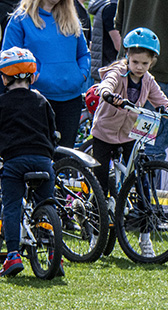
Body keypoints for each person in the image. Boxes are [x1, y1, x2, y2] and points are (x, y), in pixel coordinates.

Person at [90, 28, 168, 256]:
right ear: (127, 56)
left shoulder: (148, 80)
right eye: (135, 61)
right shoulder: (117, 72)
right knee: (98, 186)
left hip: (129, 134)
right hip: (104, 133)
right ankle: (94, 235)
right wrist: (108, 94)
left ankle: (145, 238)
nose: (139, 67)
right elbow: (106, 85)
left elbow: (159, 98)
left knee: (141, 185)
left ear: (152, 63)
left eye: (145, 63)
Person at [114, 0, 168, 161]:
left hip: (126, 73)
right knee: (152, 150)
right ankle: (142, 187)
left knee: (125, 146)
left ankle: (124, 186)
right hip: (164, 76)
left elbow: (118, 22)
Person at [0, 47, 57, 277]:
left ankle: (12, 255)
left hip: (14, 161)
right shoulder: (42, 101)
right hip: (43, 161)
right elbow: (53, 132)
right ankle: (55, 254)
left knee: (12, 205)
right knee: (47, 203)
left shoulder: (2, 103)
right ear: (33, 76)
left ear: (4, 77)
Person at [2, 0, 89, 148]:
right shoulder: (20, 20)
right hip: (37, 99)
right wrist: (36, 76)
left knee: (65, 155)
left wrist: (82, 75)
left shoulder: (71, 18)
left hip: (71, 98)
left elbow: (83, 54)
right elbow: (9, 57)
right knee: (38, 152)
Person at [88, 0, 121, 82]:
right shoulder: (111, 8)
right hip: (108, 72)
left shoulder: (107, 6)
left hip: (107, 69)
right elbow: (119, 46)